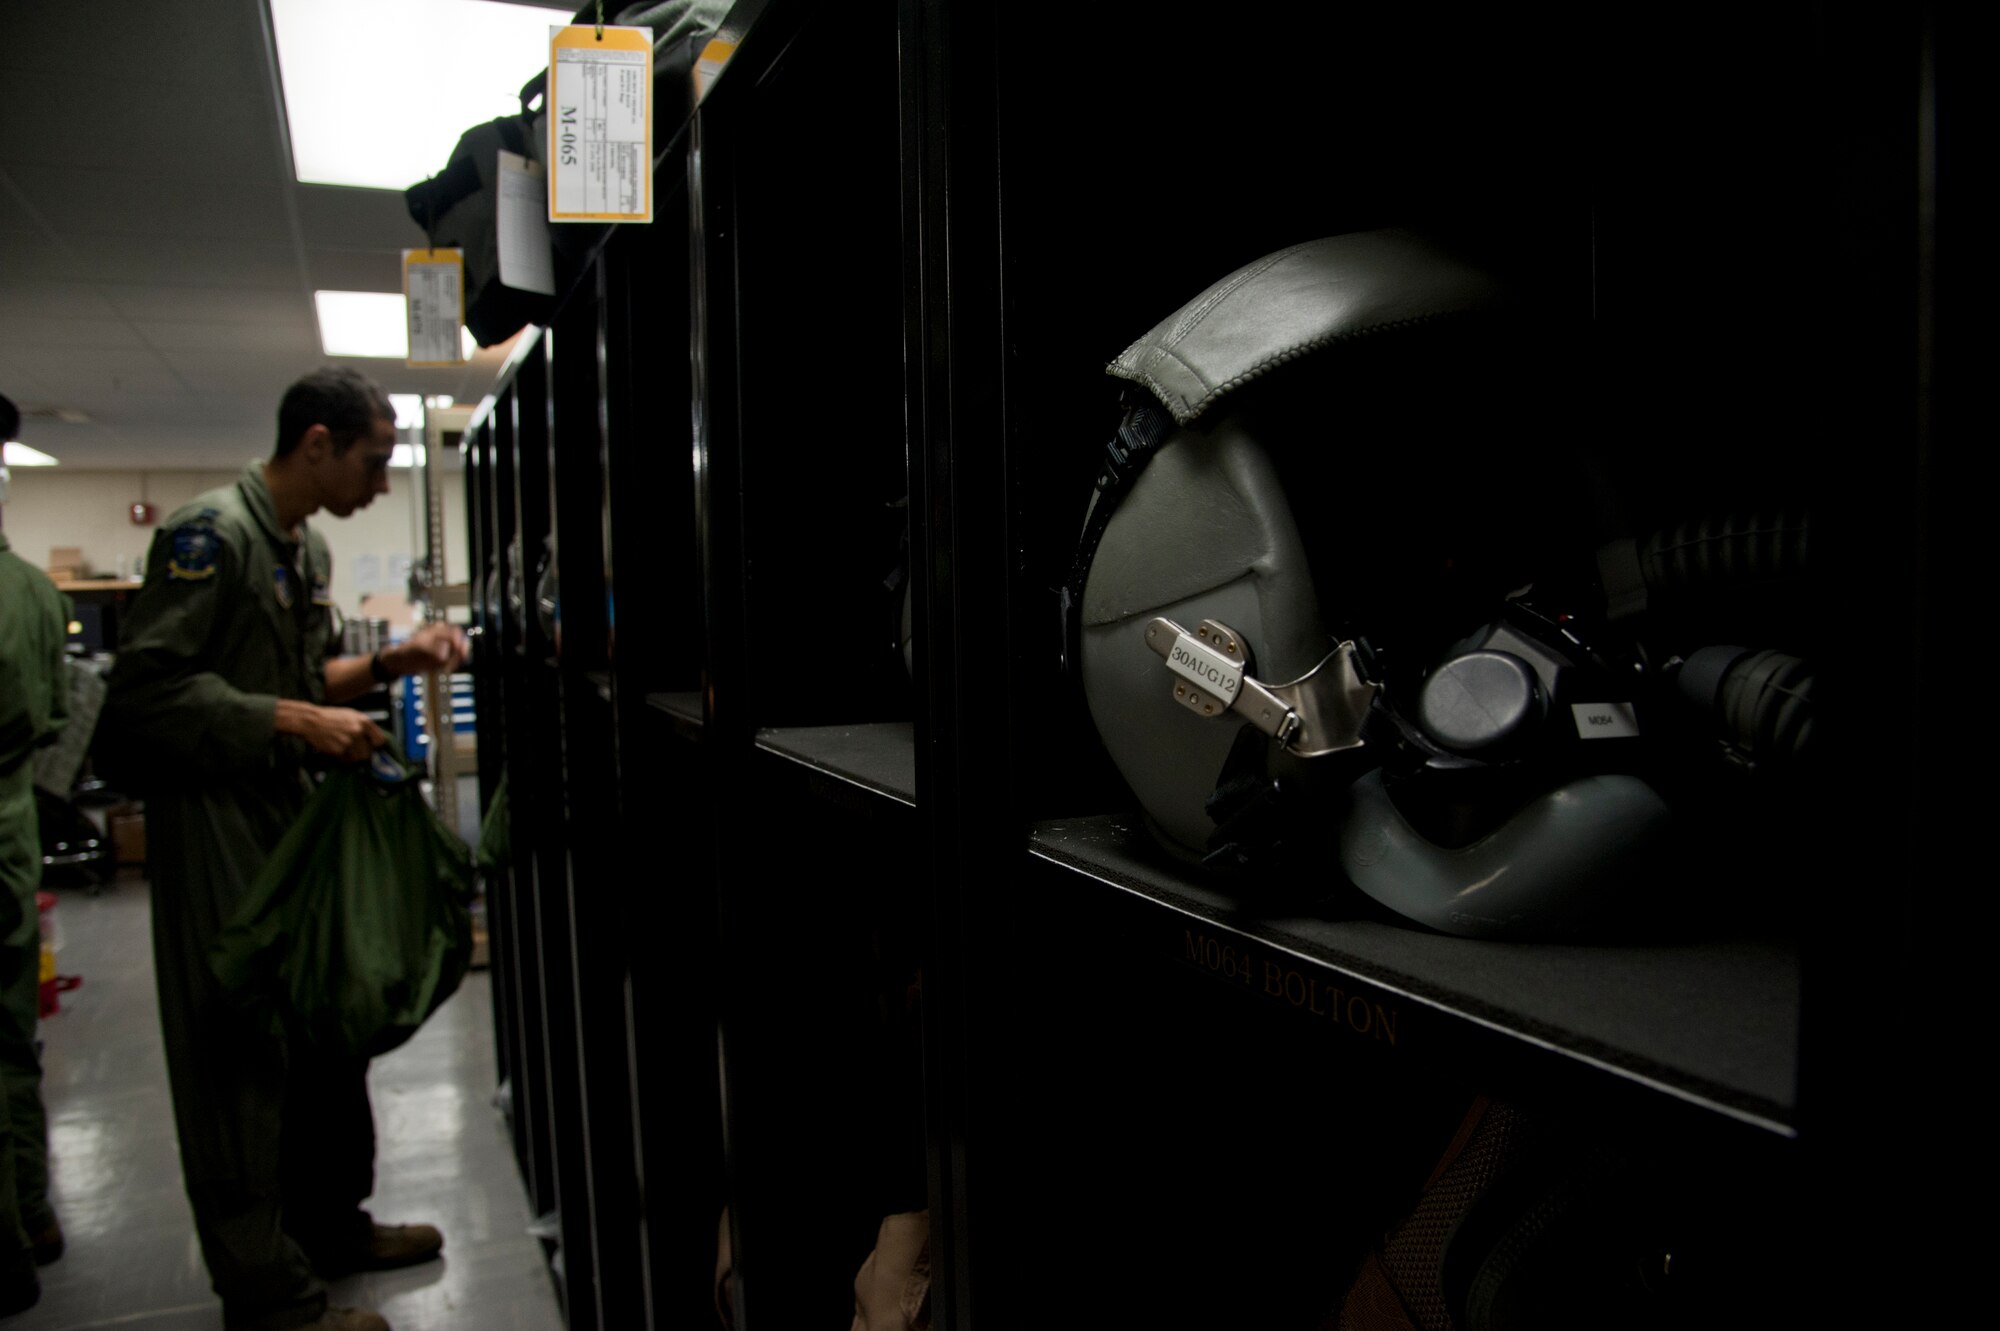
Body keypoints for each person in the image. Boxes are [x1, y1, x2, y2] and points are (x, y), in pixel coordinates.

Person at [100, 369, 469, 1331]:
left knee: (316, 1034)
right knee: (238, 1055)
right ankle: (272, 1301)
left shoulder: (294, 550)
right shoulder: (210, 536)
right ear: (316, 444)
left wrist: (390, 663)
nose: (382, 484)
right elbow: (146, 696)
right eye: (374, 461)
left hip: (280, 824)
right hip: (215, 828)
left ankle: (330, 1228)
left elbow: (304, 675)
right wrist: (301, 721)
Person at [0, 392, 70, 1316]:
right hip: (12, 826)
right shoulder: (34, 591)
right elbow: (54, 718)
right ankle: (30, 1217)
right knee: (12, 1036)